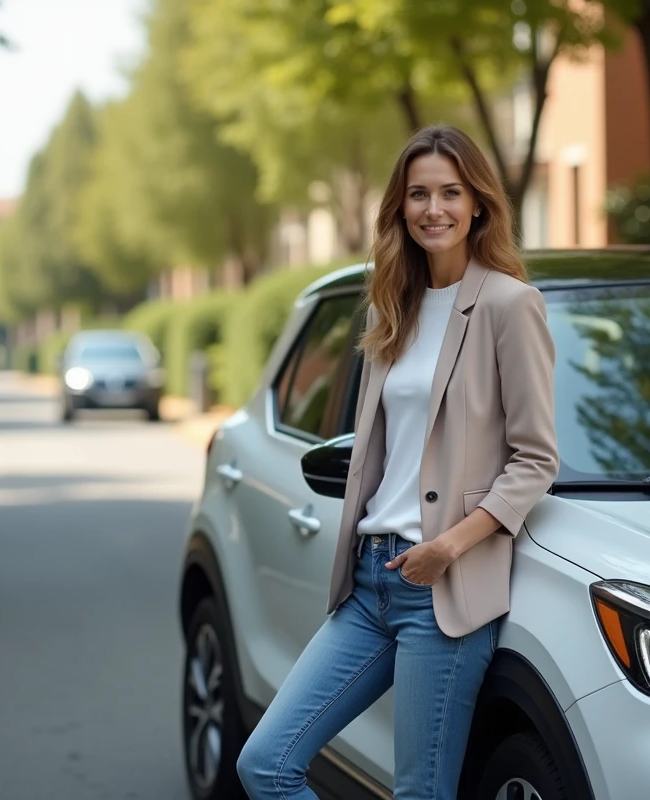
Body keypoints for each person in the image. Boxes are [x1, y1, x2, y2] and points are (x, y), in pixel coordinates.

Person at [235, 124, 561, 800]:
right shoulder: (395, 306)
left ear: (478, 204)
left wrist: (447, 547)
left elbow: (535, 458)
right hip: (367, 581)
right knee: (265, 763)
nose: (433, 209)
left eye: (450, 192)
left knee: (419, 792)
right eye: (418, 194)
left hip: (442, 591)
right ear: (400, 207)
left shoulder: (508, 303)